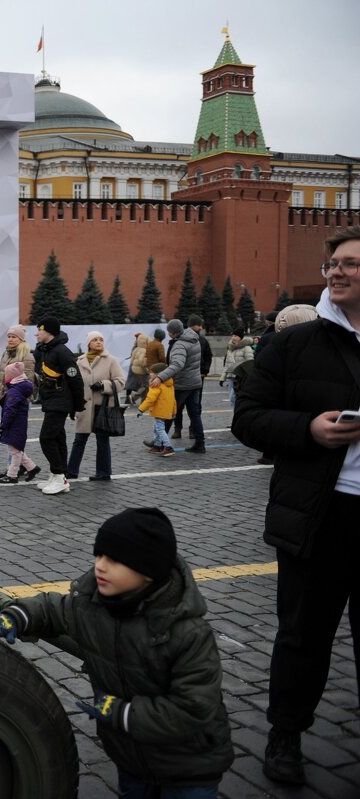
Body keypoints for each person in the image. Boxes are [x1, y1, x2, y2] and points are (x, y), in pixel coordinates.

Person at [0, 508, 234, 797]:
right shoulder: (92, 606)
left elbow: (193, 708)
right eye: (98, 556)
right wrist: (17, 615)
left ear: (148, 571)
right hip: (131, 759)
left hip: (189, 765)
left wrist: (122, 713)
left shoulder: (187, 633)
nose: (100, 566)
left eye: (113, 560)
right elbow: (52, 609)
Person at [231, 226, 360, 787]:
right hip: (319, 513)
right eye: (334, 262)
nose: (338, 270)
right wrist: (306, 428)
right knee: (303, 635)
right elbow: (248, 417)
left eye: (352, 263)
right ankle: (286, 732)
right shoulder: (294, 342)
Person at [32, 317, 85, 495]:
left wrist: (78, 405)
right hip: (51, 400)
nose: (36, 333)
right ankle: (59, 476)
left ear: (49, 332)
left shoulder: (62, 352)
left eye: (39, 330)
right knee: (58, 438)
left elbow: (75, 379)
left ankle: (58, 474)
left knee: (46, 438)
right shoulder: (47, 350)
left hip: (60, 400)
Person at [68, 330, 125, 481]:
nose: (99, 342)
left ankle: (104, 472)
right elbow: (75, 385)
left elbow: (120, 382)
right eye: (95, 340)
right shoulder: (80, 361)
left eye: (101, 339)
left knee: (102, 441)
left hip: (103, 407)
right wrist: (73, 406)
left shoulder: (110, 360)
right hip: (84, 407)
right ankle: (71, 471)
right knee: (79, 440)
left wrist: (103, 385)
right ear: (88, 344)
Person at [0, 324, 36, 479]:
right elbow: (0, 377)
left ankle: (13, 470)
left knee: (13, 436)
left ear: (21, 339)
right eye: (9, 336)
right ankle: (19, 467)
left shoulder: (27, 356)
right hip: (6, 399)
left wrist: (19, 399)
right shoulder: (6, 354)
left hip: (16, 401)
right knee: (10, 436)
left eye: (14, 336)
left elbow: (28, 383)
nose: (10, 339)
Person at [150, 319, 204, 453]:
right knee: (194, 414)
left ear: (172, 332)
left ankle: (160, 443)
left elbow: (177, 364)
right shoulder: (193, 338)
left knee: (168, 412)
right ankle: (200, 443)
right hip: (195, 382)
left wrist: (160, 376)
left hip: (182, 384)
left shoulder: (180, 344)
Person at [0, 361, 41, 483]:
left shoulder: (14, 391)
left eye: (6, 374)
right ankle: (32, 468)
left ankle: (12, 475)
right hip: (18, 423)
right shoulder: (20, 387)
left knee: (15, 451)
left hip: (14, 424)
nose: (5, 376)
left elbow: (9, 411)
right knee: (16, 448)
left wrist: (3, 426)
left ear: (12, 376)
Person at [139, 363, 176, 456]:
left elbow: (150, 399)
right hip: (166, 410)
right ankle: (157, 446)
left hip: (159, 410)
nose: (150, 374)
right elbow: (173, 400)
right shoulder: (169, 383)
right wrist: (173, 411)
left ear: (157, 374)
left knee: (159, 429)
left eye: (152, 372)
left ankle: (168, 447)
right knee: (157, 428)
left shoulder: (156, 384)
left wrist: (141, 409)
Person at [219, 327, 253, 407]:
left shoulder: (246, 348)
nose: (233, 338)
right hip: (231, 378)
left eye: (235, 336)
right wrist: (222, 378)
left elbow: (250, 364)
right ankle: (236, 417)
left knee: (233, 398)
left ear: (240, 337)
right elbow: (227, 365)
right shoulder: (230, 349)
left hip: (240, 379)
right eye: (233, 335)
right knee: (234, 402)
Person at [125, 333, 149, 405]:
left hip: (133, 367)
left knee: (131, 384)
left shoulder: (135, 347)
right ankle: (131, 398)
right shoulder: (140, 348)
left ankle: (129, 398)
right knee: (142, 385)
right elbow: (141, 360)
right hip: (138, 368)